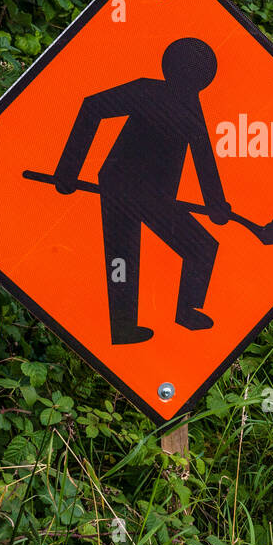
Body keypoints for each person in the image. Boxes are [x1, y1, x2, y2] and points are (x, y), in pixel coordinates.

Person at [52, 38, 231, 344]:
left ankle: (184, 313)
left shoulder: (190, 108)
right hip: (123, 186)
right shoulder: (148, 91)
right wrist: (68, 171)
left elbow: (204, 158)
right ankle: (128, 327)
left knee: (197, 247)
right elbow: (92, 107)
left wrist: (216, 204)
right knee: (123, 256)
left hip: (155, 195)